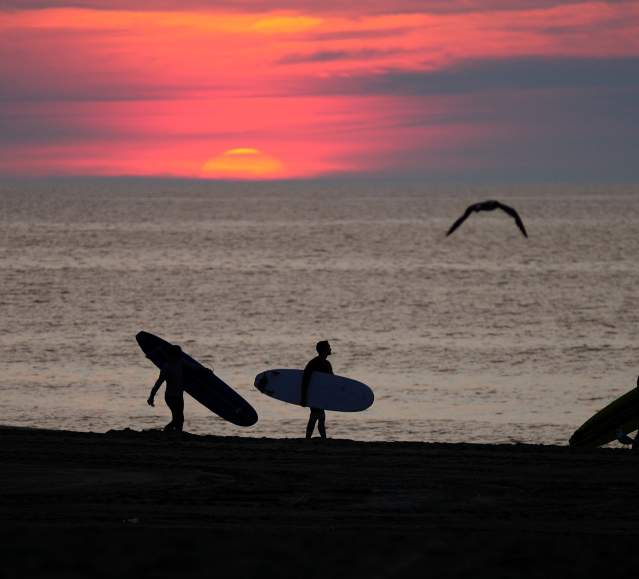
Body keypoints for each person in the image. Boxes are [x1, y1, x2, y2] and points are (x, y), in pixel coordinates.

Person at [147, 344, 185, 432]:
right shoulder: (166, 367)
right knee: (178, 418)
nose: (181, 355)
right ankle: (167, 431)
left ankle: (177, 434)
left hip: (179, 395)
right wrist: (151, 397)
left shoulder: (180, 363)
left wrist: (204, 370)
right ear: (175, 355)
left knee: (179, 418)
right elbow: (158, 383)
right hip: (171, 397)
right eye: (179, 353)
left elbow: (193, 367)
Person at [301, 340, 333, 439]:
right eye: (328, 347)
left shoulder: (327, 364)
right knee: (316, 416)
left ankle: (315, 438)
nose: (330, 349)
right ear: (323, 350)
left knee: (319, 418)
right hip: (313, 394)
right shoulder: (313, 363)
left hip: (321, 395)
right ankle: (311, 438)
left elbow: (332, 381)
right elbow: (305, 380)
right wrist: (304, 397)